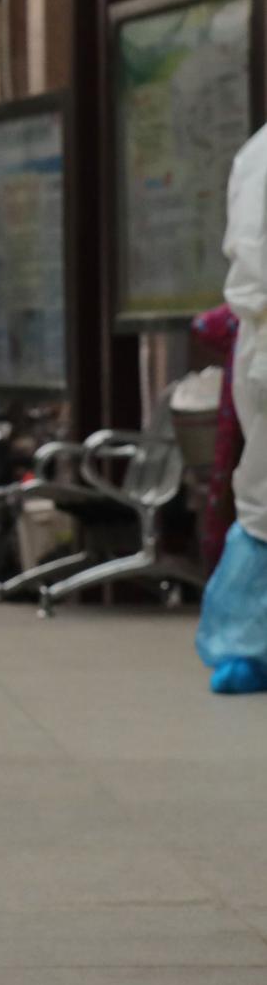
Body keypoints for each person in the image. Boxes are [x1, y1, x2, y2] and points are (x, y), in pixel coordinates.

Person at [197, 125, 267, 694]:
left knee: (264, 503)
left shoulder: (257, 152)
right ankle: (245, 646)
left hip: (259, 348)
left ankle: (245, 646)